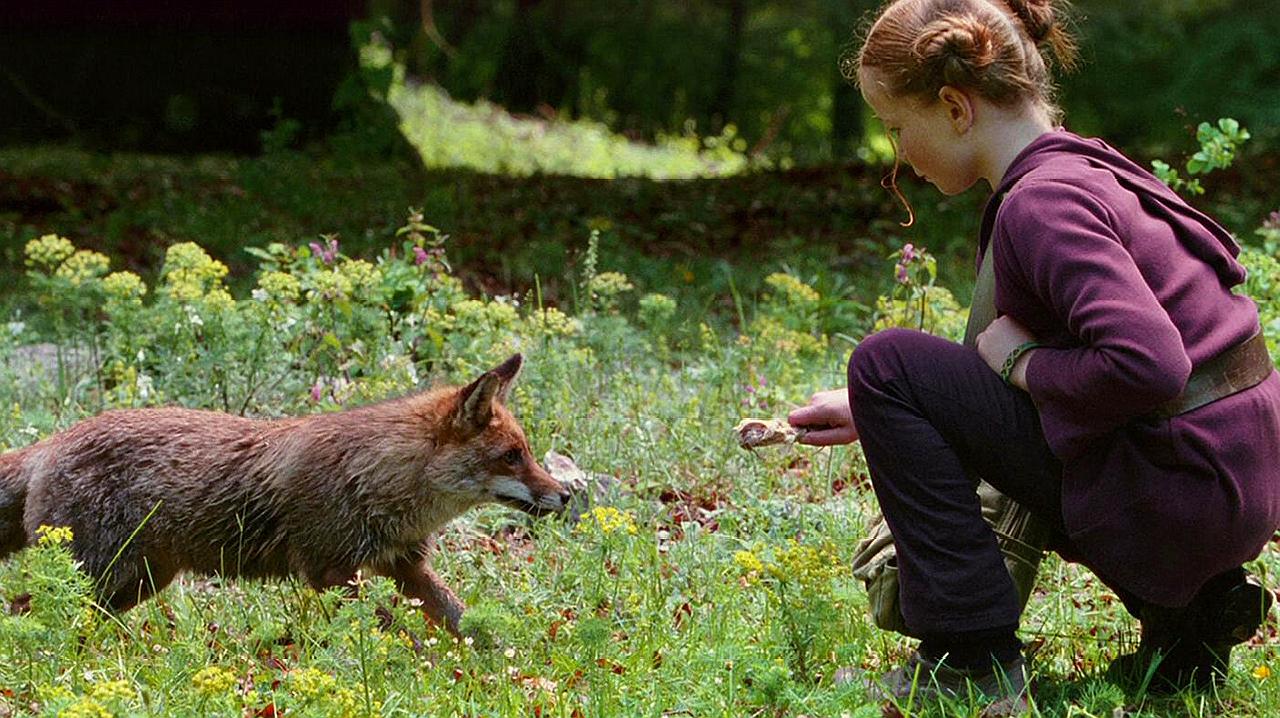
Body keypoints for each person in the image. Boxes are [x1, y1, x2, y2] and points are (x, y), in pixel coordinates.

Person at [787, 0, 1280, 704]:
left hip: (1183, 487)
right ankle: (1192, 625)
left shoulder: (1042, 202)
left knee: (885, 361)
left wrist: (1021, 365)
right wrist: (882, 412)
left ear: (956, 107)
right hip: (1229, 479)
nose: (899, 159)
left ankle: (969, 658)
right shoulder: (1085, 165)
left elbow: (1150, 364)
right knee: (892, 383)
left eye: (898, 128)